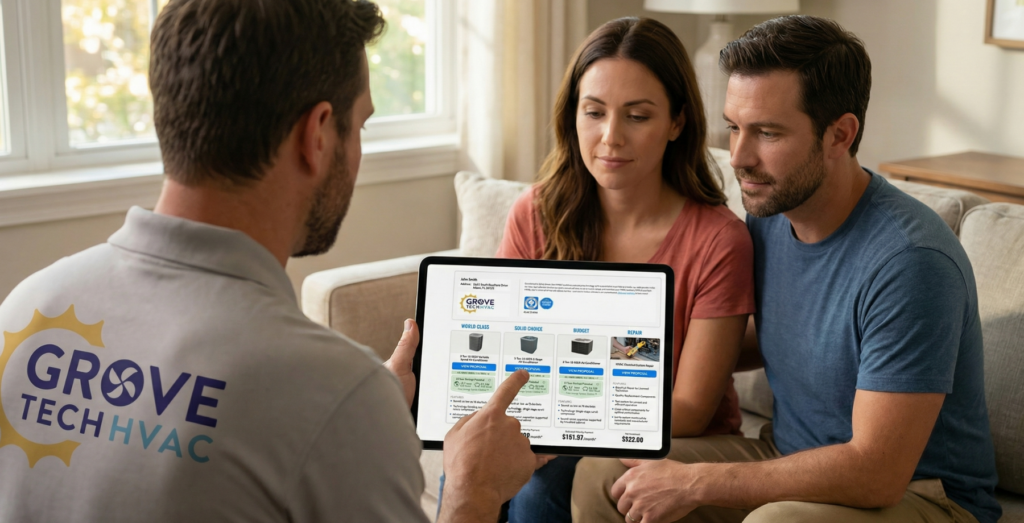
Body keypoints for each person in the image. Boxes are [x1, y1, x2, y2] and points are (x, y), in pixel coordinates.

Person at [0, 1, 540, 522]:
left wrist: (350, 415)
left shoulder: (27, 307)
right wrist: (471, 494)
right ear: (317, 134)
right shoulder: (331, 392)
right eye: (360, 127)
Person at [572, 15, 1001, 523]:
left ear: (840, 134)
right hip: (788, 459)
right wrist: (607, 351)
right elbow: (772, 340)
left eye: (767, 133)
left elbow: (876, 470)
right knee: (605, 476)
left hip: (922, 495)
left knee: (779, 521)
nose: (738, 157)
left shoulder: (910, 263)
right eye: (734, 127)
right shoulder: (770, 219)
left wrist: (698, 480)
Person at [441, 17, 757, 523]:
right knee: (468, 470)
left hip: (672, 443)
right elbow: (501, 354)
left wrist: (565, 427)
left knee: (547, 482)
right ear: (573, 117)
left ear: (677, 122)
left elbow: (693, 407)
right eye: (594, 112)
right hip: (547, 425)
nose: (610, 137)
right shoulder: (536, 214)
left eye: (637, 116)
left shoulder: (719, 240)